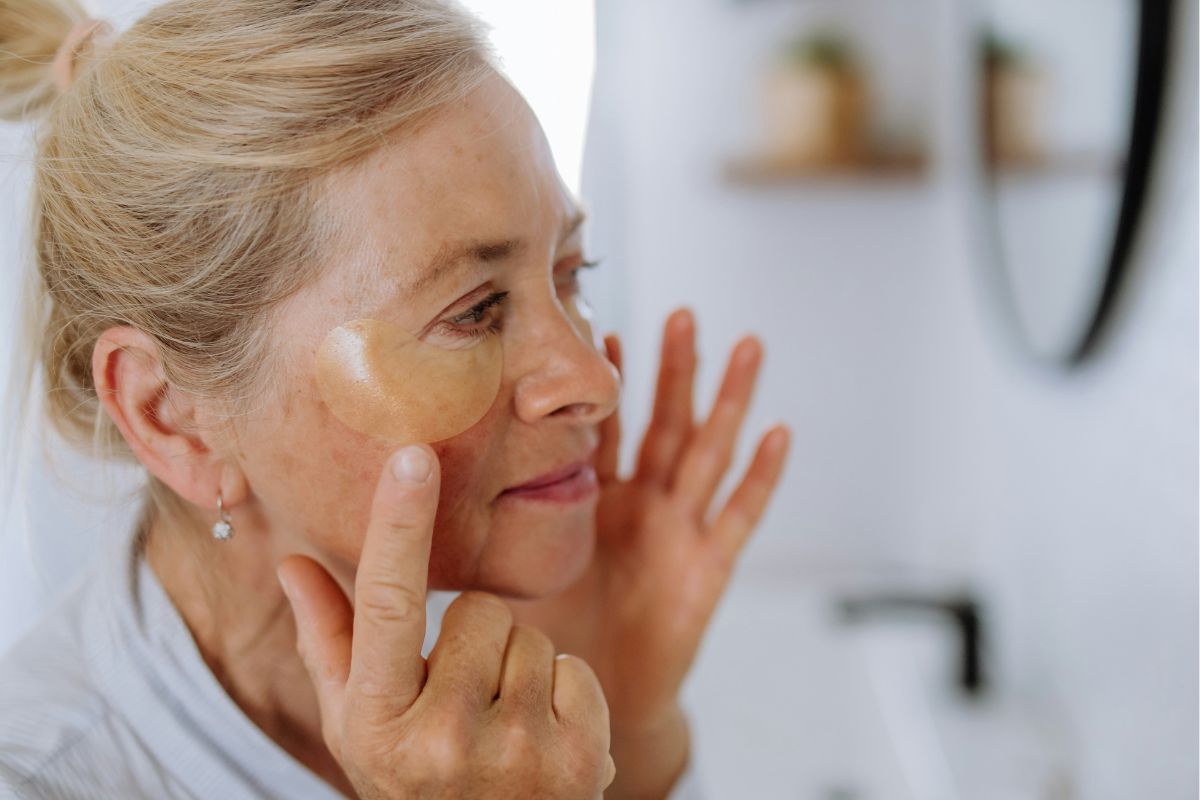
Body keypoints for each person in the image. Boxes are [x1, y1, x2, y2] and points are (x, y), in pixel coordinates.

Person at [0, 1, 791, 798]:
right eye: (474, 311)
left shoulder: (501, 651)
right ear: (172, 417)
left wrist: (626, 729)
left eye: (569, 274)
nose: (596, 381)